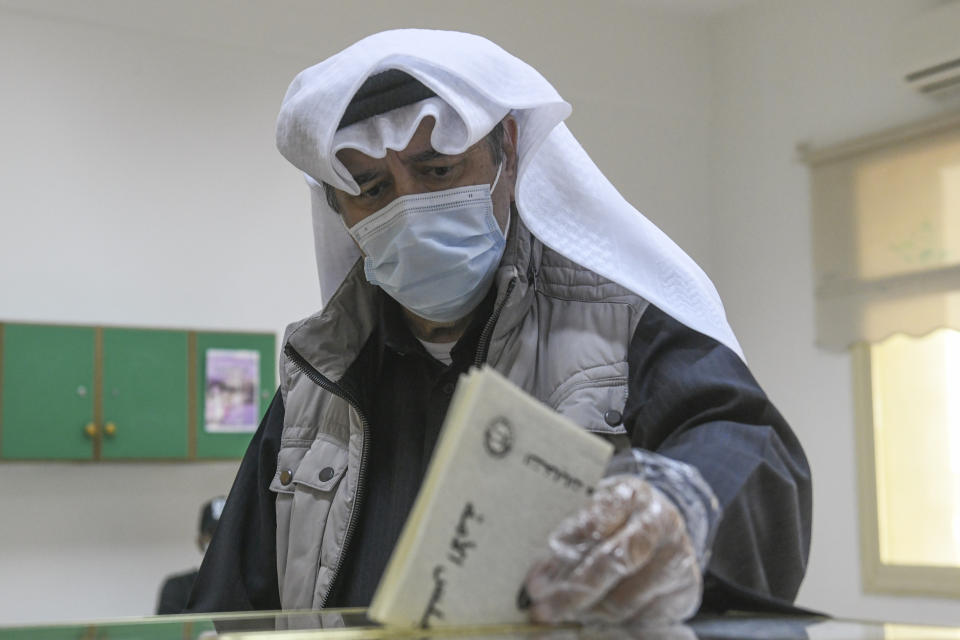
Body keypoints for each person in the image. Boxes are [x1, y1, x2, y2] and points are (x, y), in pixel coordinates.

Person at [187, 30, 811, 625]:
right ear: (339, 210)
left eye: (436, 172)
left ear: (505, 153)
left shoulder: (622, 325)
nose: (408, 209)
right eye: (373, 189)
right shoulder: (319, 382)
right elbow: (230, 606)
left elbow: (746, 449)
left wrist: (675, 509)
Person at [157, 496, 226, 615]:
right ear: (200, 542)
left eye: (227, 532)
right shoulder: (177, 588)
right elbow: (167, 632)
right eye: (213, 533)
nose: (220, 539)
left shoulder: (255, 587)